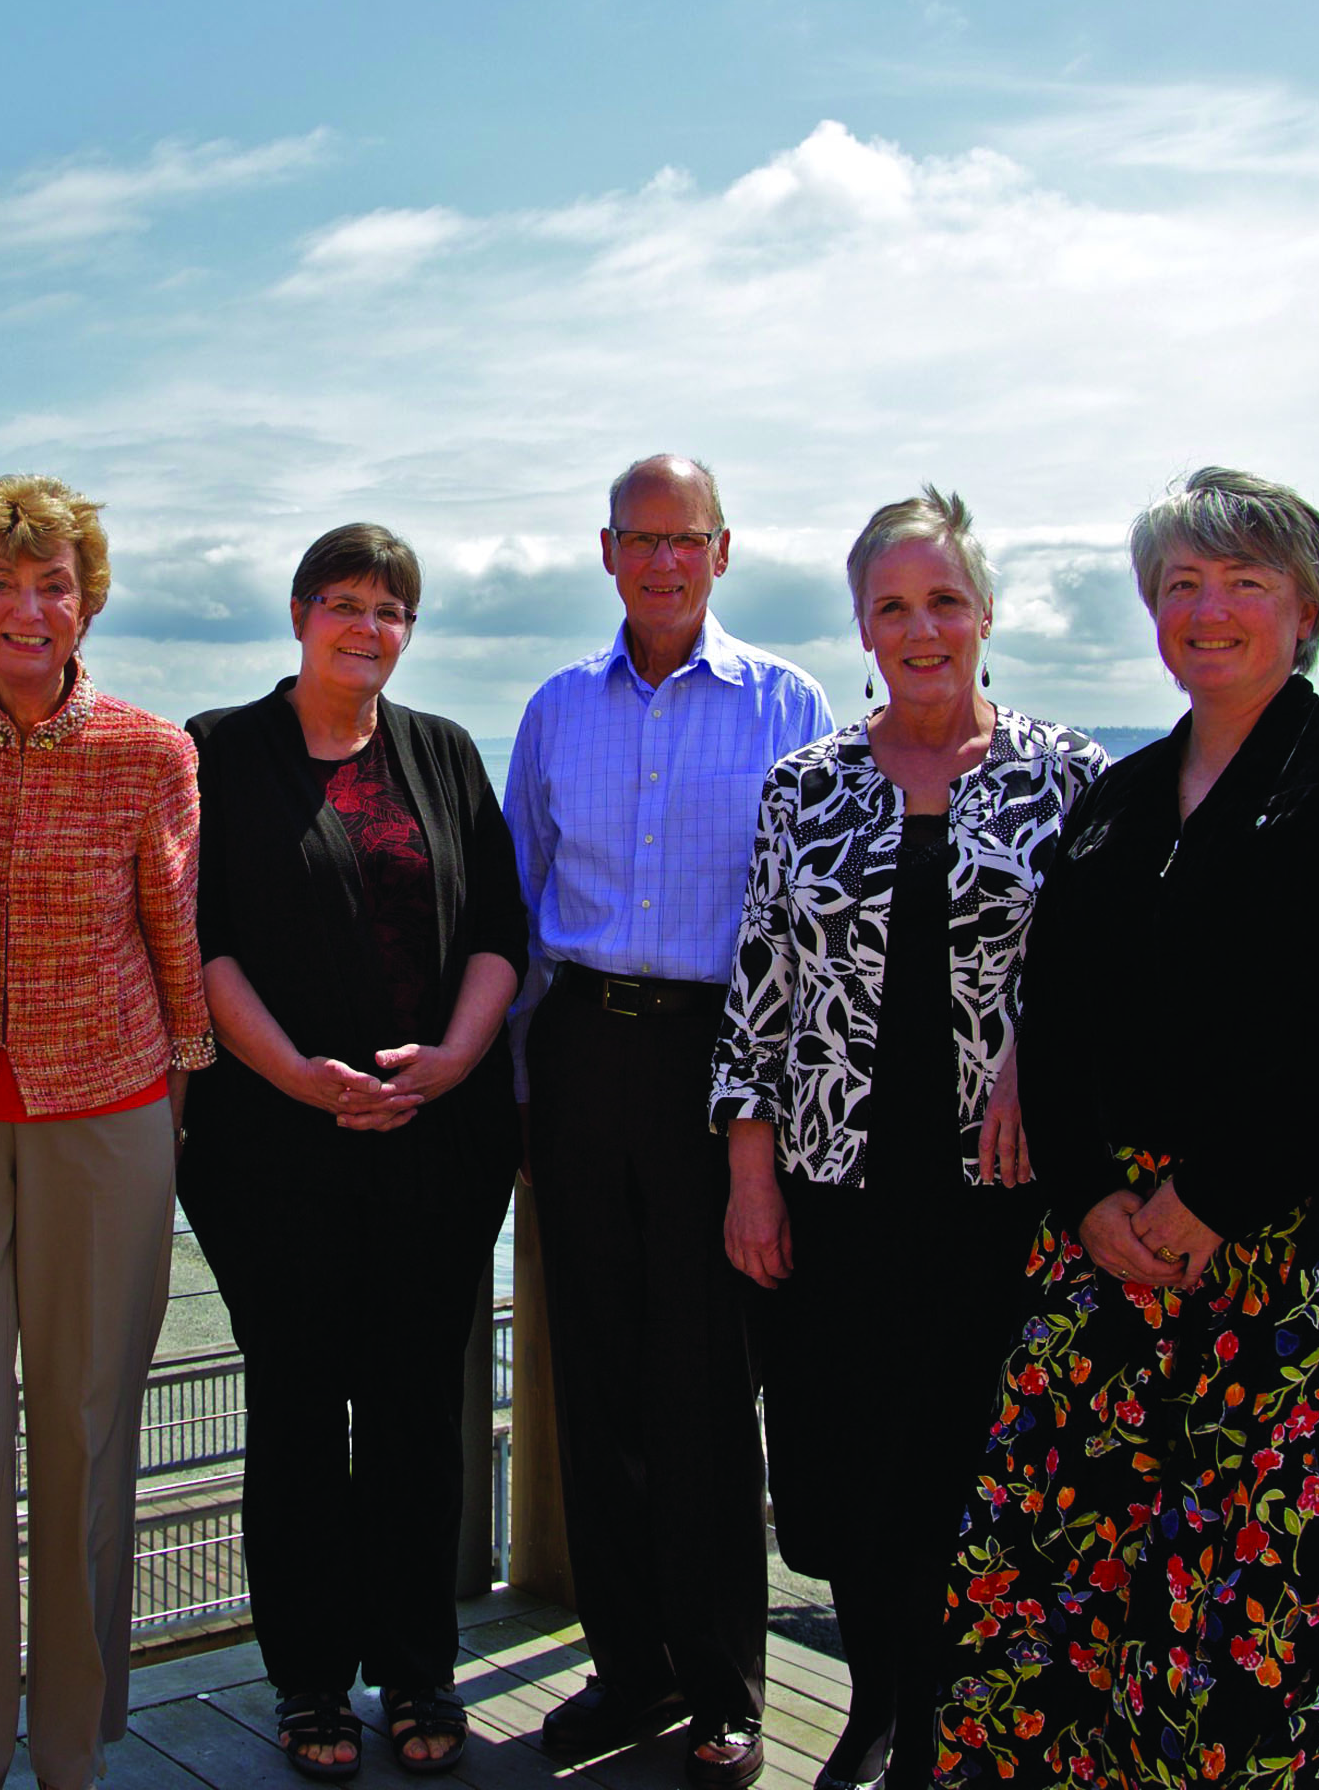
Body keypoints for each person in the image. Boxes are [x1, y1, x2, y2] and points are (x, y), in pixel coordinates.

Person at [924, 469, 1319, 1789]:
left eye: (1245, 582)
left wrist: (1210, 1198)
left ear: (1308, 607)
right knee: (1046, 1567)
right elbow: (1056, 1020)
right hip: (1106, 1246)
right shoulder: (1119, 798)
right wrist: (1091, 1200)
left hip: (1309, 1239)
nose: (1208, 609)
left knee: (1268, 1598)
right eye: (1181, 585)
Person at [710, 490, 1107, 1790]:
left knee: (975, 1463)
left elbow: (1117, 977)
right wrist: (751, 1172)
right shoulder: (806, 785)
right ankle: (879, 1706)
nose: (922, 627)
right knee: (845, 1467)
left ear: (985, 614)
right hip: (838, 1186)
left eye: (945, 600)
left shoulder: (1070, 776)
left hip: (1001, 1200)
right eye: (894, 606)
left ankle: (951, 1730)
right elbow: (759, 988)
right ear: (863, 627)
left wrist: (1037, 1061)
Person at [0, 474, 215, 1790]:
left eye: (53, 584)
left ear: (88, 606)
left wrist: (171, 1110)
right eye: (2, 583)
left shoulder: (151, 751)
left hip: (111, 1123)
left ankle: (72, 1747)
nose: (28, 607)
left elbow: (176, 950)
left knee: (85, 1431)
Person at [506, 454, 834, 1789]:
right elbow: (525, 902)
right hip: (584, 1046)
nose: (661, 561)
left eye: (684, 539)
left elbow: (809, 922)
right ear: (604, 552)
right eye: (638, 539)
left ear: (723, 549)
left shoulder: (786, 702)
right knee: (593, 1377)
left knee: (704, 1386)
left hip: (722, 1060)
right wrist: (526, 1089)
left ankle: (722, 1688)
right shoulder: (555, 709)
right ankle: (625, 1667)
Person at [181, 524, 527, 1780]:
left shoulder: (439, 751)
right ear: (296, 613)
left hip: (433, 1143)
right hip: (272, 1147)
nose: (366, 628)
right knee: (294, 1412)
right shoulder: (216, 750)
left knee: (418, 1415)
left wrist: (452, 1060)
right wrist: (299, 1079)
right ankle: (311, 1680)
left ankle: (420, 1665)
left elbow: (498, 928)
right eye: (344, 603)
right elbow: (199, 942)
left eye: (391, 610)